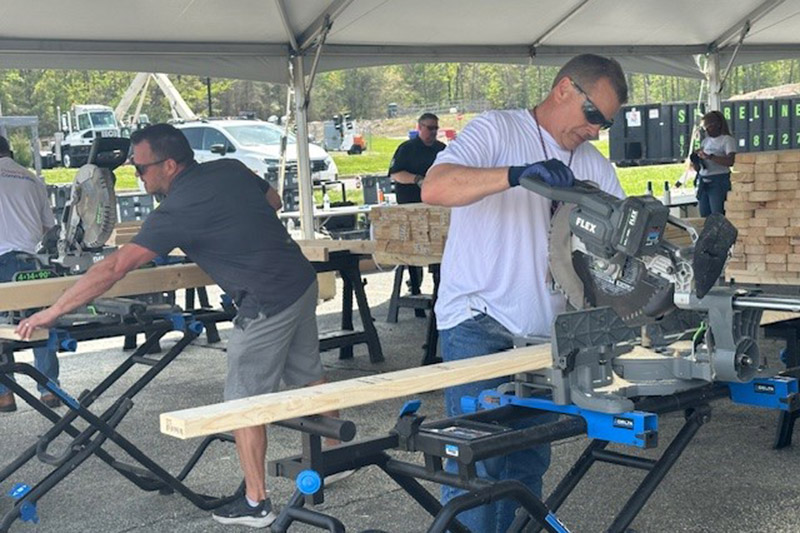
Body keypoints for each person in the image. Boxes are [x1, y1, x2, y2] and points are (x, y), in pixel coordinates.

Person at [16, 123, 336, 528]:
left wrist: (52, 311)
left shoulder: (177, 209)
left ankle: (257, 503)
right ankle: (332, 458)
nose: (138, 176)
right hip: (299, 280)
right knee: (309, 375)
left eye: (142, 169)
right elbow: (271, 201)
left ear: (169, 164)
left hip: (266, 301)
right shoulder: (232, 168)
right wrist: (229, 230)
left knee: (242, 402)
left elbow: (115, 267)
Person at [422, 54, 627, 532]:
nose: (596, 130)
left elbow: (624, 243)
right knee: (476, 470)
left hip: (545, 337)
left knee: (526, 467)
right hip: (480, 321)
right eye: (593, 114)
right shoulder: (497, 130)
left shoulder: (594, 165)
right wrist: (514, 175)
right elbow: (435, 188)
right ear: (563, 90)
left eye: (607, 123)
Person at [0, 134, 61, 412]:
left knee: (1, 330)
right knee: (41, 322)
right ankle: (49, 389)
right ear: (10, 151)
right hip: (32, 262)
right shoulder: (31, 179)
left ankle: (5, 394)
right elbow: (49, 227)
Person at [388, 113, 446, 303]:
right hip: (411, 208)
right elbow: (396, 174)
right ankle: (415, 287)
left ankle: (440, 291)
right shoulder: (407, 148)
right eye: (429, 128)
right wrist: (417, 179)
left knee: (439, 252)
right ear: (419, 127)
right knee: (414, 254)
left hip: (436, 208)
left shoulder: (441, 150)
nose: (433, 132)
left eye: (436, 129)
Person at [693, 110, 736, 216]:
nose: (707, 130)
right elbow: (699, 168)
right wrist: (696, 160)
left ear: (718, 125)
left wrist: (710, 157)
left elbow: (731, 161)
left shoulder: (727, 140)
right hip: (704, 180)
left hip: (719, 180)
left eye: (709, 127)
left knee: (717, 214)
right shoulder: (706, 141)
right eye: (705, 128)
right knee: (704, 215)